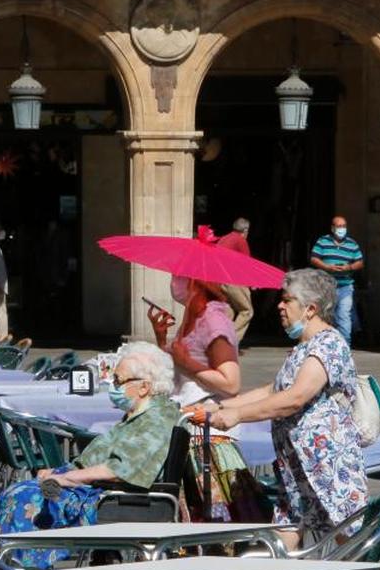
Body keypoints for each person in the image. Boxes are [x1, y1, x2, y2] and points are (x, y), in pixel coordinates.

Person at [205, 268, 367, 550]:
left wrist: (237, 415)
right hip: (296, 470)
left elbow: (295, 397)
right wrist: (219, 405)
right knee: (280, 550)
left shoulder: (328, 344)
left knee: (354, 544)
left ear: (310, 309)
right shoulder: (304, 347)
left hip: (326, 469)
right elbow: (272, 390)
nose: (279, 305)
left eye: (287, 300)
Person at [0, 343, 179, 567]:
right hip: (102, 490)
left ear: (143, 387)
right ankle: (1, 567)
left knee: (23, 499)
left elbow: (118, 470)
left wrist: (66, 478)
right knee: (17, 492)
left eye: (118, 381)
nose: (112, 387)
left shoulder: (157, 420)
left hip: (117, 497)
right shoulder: (140, 415)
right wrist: (59, 473)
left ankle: (13, 569)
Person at [149, 275, 240, 405]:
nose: (173, 282)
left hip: (207, 415)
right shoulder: (193, 315)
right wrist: (162, 341)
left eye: (178, 276)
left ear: (195, 281)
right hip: (186, 407)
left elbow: (231, 385)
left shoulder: (214, 321)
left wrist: (186, 362)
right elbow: (182, 363)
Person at [310, 216, 364, 344]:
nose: (342, 229)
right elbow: (313, 258)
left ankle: (345, 345)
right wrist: (327, 267)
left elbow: (360, 262)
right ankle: (325, 344)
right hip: (326, 286)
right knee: (326, 316)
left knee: (344, 316)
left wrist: (349, 267)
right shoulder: (323, 241)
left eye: (344, 226)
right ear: (332, 228)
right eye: (339, 226)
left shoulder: (352, 244)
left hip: (345, 286)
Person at [216, 217, 254, 344]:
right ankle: (230, 340)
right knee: (246, 311)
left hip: (220, 280)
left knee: (230, 309)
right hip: (233, 280)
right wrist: (252, 282)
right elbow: (246, 263)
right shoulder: (240, 240)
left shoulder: (224, 238)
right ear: (245, 230)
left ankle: (218, 337)